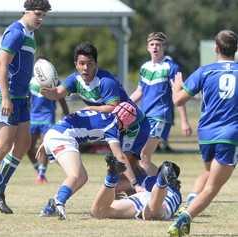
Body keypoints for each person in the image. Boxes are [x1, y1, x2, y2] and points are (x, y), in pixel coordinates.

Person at [0, 0, 52, 214]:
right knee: (4, 145)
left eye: (44, 15)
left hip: (21, 97)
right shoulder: (15, 32)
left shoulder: (31, 34)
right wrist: (5, 97)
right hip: (4, 97)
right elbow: (1, 65)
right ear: (26, 11)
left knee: (24, 144)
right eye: (38, 14)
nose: (41, 19)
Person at [41, 41, 150, 191]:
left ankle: (152, 189)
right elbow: (58, 93)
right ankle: (138, 193)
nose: (86, 68)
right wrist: (46, 89)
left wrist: (90, 108)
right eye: (82, 63)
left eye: (90, 63)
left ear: (96, 64)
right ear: (76, 64)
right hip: (116, 126)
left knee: (127, 164)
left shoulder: (106, 81)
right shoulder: (75, 80)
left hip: (134, 126)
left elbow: (113, 107)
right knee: (121, 168)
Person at [167, 30, 238, 237]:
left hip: (206, 134)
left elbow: (178, 100)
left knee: (208, 175)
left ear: (216, 48)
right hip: (229, 135)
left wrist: (176, 87)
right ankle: (183, 219)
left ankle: (189, 203)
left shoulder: (204, 71)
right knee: (212, 188)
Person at [38, 102, 144, 220]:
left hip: (55, 134)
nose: (128, 127)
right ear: (125, 121)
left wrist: (49, 137)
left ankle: (52, 206)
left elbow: (73, 116)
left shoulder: (101, 115)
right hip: (62, 138)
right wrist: (135, 184)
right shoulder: (112, 126)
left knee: (82, 177)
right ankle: (58, 203)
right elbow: (120, 157)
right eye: (129, 124)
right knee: (75, 175)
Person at [130, 32, 192, 176]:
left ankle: (164, 188)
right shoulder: (145, 67)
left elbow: (178, 94)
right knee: (139, 157)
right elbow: (140, 91)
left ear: (164, 47)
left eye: (158, 44)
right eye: (152, 44)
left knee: (143, 156)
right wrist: (122, 105)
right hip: (144, 117)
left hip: (160, 116)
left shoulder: (171, 67)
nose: (155, 47)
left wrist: (184, 121)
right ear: (147, 48)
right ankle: (163, 184)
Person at [90, 156, 181, 221]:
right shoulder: (177, 194)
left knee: (99, 211)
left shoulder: (150, 179)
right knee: (153, 214)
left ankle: (111, 178)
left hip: (142, 198)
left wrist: (116, 190)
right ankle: (161, 181)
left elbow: (124, 185)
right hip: (159, 201)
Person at [28, 72, 69, 184]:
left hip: (47, 116)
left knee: (45, 145)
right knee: (28, 147)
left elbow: (61, 99)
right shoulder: (30, 81)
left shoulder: (54, 81)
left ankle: (41, 174)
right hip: (33, 117)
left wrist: (67, 114)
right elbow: (26, 98)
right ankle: (39, 170)